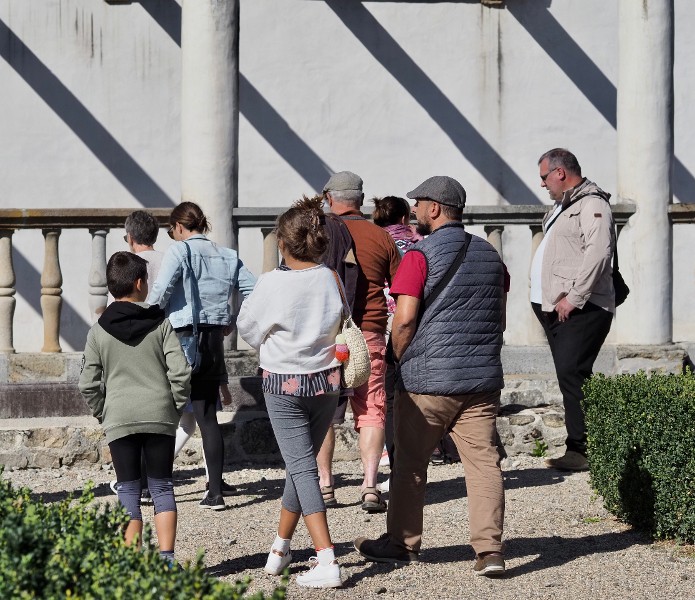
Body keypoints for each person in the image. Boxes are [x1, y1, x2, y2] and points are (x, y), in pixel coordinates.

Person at [354, 175, 507, 577]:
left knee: (411, 464)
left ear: (435, 208)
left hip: (427, 382)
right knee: (483, 464)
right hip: (480, 380)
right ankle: (489, 551)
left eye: (419, 204)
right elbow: (499, 314)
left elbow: (403, 320)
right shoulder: (490, 254)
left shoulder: (420, 256)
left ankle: (402, 544)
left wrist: (396, 360)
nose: (416, 211)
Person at [237, 196, 344, 588]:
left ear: (282, 243)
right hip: (327, 380)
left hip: (284, 381)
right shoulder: (330, 277)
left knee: (301, 467)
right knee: (300, 466)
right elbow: (341, 319)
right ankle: (280, 548)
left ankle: (326, 558)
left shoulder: (270, 283)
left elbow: (247, 329)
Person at [79, 252, 191, 564]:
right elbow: (180, 372)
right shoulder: (161, 324)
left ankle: (131, 566)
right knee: (162, 487)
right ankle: (167, 560)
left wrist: (104, 412)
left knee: (128, 490)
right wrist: (175, 406)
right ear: (140, 283)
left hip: (119, 417)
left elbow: (88, 383)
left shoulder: (98, 330)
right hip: (159, 415)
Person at [148, 201, 256, 510]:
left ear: (179, 227)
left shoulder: (180, 251)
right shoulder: (228, 255)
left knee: (166, 413)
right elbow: (254, 290)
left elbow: (160, 292)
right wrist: (231, 318)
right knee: (208, 417)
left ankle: (147, 482)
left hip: (182, 338)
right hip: (213, 340)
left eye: (172, 231)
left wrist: (140, 319)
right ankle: (215, 492)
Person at [317, 172, 401, 513]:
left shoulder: (319, 234)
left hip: (327, 333)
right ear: (361, 200)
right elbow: (400, 287)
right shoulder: (381, 236)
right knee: (373, 409)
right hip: (369, 331)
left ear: (329, 197)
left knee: (323, 411)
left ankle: (325, 486)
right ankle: (369, 486)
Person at [531, 148, 615, 471]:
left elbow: (598, 253)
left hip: (583, 307)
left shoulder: (592, 203)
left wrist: (574, 297)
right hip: (558, 308)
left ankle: (581, 449)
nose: (542, 184)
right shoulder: (563, 205)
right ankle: (592, 444)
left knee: (572, 372)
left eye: (544, 177)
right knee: (573, 375)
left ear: (560, 173)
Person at [371, 196, 422, 493]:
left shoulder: (373, 242)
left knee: (388, 397)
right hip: (414, 321)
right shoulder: (419, 244)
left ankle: (393, 461)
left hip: (382, 323)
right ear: (404, 218)